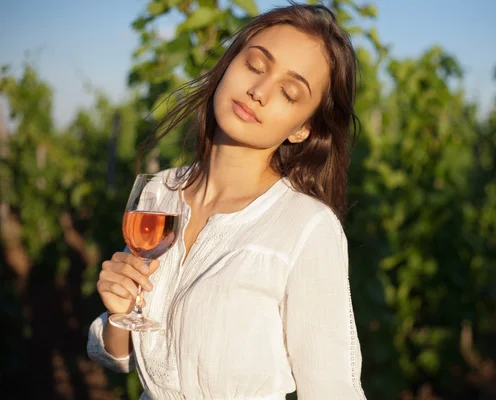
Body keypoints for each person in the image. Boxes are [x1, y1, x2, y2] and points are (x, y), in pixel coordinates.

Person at [87, 3, 366, 399]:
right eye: (254, 65)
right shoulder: (157, 195)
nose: (259, 92)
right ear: (228, 65)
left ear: (303, 129)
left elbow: (331, 389)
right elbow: (120, 357)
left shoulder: (306, 226)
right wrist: (119, 314)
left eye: (289, 92)